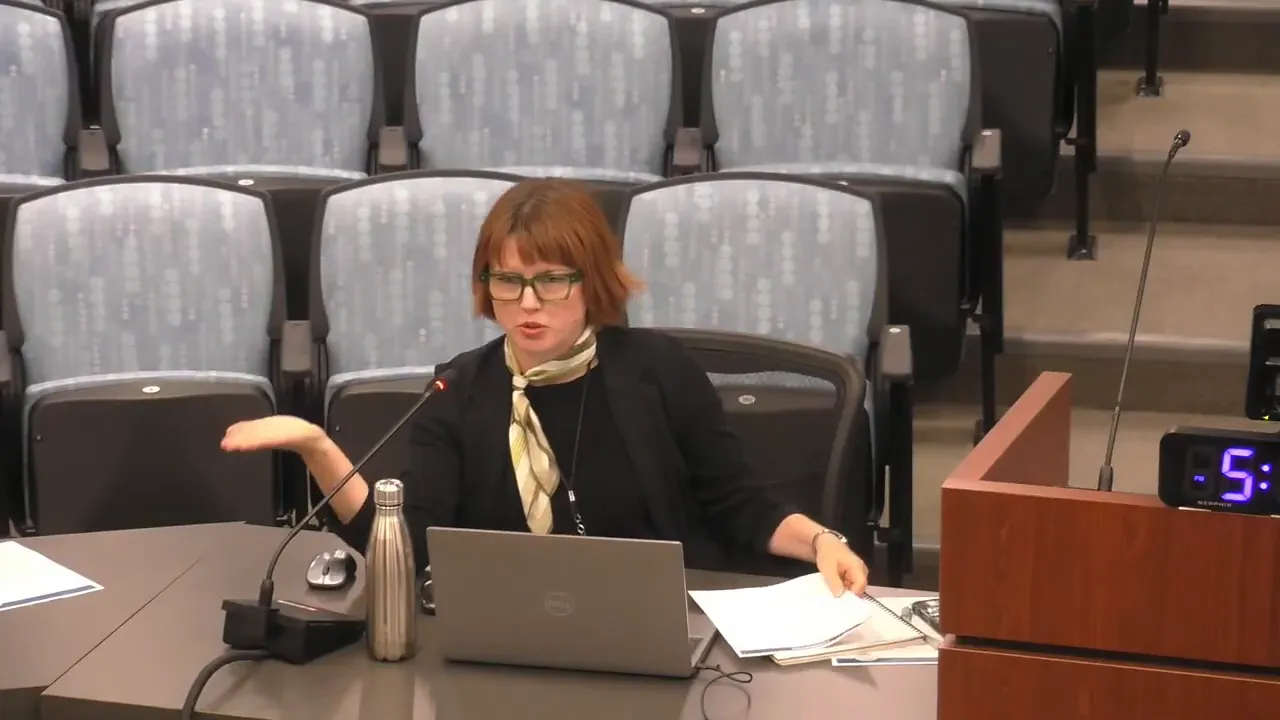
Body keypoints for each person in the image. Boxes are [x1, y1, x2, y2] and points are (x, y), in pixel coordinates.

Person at [222, 179, 869, 597]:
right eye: (507, 282)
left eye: (552, 280)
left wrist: (821, 541)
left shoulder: (657, 371)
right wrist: (317, 449)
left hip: (657, 625)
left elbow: (741, 506)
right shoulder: (460, 386)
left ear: (591, 281)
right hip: (507, 641)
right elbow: (406, 550)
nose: (528, 303)